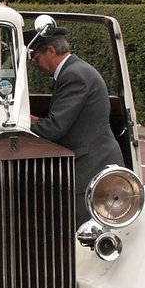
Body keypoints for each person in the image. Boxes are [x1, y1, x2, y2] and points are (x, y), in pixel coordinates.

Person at [26, 27, 125, 222]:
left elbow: (55, 128)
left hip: (90, 168)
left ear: (51, 51)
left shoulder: (74, 75)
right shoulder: (76, 70)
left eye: (36, 58)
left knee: (85, 233)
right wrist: (35, 120)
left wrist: (21, 125)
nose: (36, 65)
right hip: (90, 164)